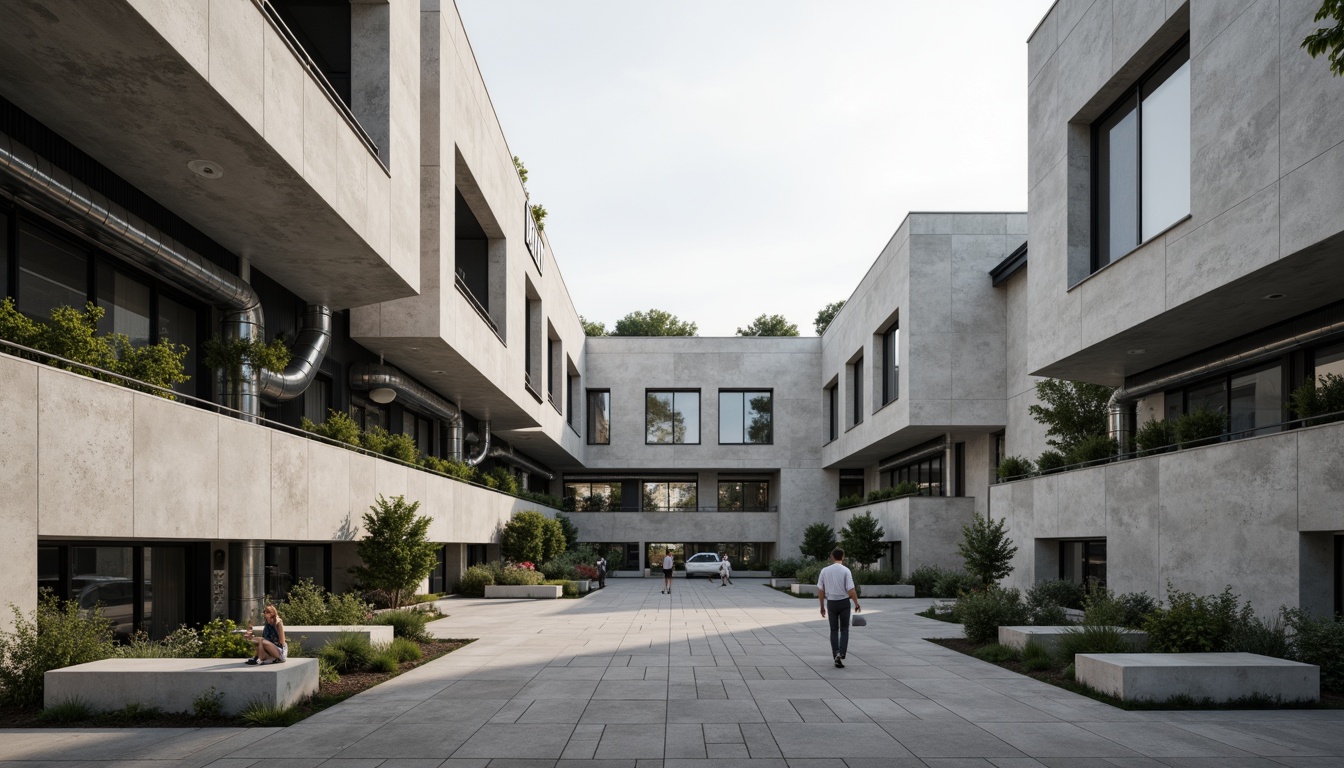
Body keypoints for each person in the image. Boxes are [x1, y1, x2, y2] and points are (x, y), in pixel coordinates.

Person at [817, 547, 861, 668]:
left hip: (831, 603)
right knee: (844, 629)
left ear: (832, 557)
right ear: (843, 557)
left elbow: (821, 590)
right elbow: (851, 590)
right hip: (844, 603)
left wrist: (822, 606)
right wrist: (856, 603)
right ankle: (841, 653)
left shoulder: (824, 571)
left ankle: (835, 653)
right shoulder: (846, 571)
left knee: (834, 630)